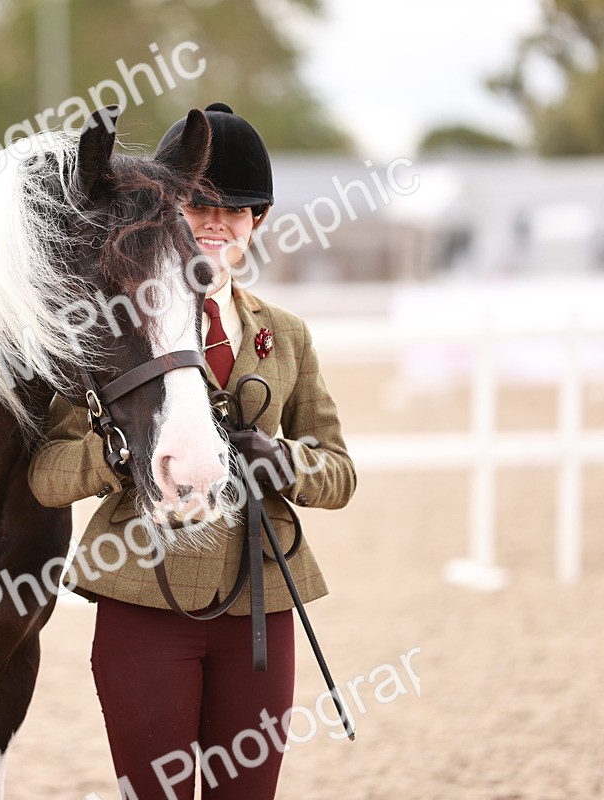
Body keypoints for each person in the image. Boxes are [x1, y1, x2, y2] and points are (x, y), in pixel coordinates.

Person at [27, 103, 356, 800]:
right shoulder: (111, 322)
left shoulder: (285, 334)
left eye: (236, 212)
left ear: (258, 221)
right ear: (166, 207)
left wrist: (284, 461)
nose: (215, 223)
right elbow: (46, 476)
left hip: (260, 606)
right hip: (144, 600)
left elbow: (340, 472)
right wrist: (115, 455)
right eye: (199, 204)